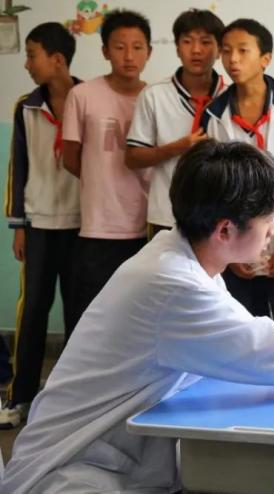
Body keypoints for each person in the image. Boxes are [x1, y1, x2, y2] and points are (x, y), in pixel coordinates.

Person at [0, 140, 274, 494]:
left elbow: (255, 341)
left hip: (123, 459)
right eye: (267, 221)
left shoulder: (182, 258)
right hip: (74, 472)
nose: (272, 232)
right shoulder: (174, 284)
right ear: (226, 230)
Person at [1, 22, 81, 429]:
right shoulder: (26, 107)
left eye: (32, 55)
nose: (27, 64)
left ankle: (72, 398)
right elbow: (18, 167)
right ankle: (20, 396)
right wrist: (18, 224)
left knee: (80, 313)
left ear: (57, 59)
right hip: (38, 225)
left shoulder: (89, 97)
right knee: (31, 311)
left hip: (84, 226)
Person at [202, 18, 274, 319]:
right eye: (226, 51)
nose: (232, 59)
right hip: (233, 247)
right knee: (239, 324)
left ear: (265, 58)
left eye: (243, 50)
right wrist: (228, 251)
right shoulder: (214, 116)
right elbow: (212, 189)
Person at [62, 9, 153, 327]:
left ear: (149, 52)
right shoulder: (82, 95)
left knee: (135, 318)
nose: (129, 56)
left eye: (137, 47)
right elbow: (70, 158)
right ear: (104, 51)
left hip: (146, 226)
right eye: (119, 47)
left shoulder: (155, 98)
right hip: (97, 227)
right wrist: (100, 181)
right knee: (88, 316)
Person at [125, 8, 226, 235]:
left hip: (218, 217)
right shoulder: (154, 95)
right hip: (166, 215)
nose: (196, 50)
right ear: (178, 49)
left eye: (205, 42)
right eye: (187, 41)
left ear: (219, 50)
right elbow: (132, 158)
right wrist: (177, 148)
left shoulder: (230, 97)